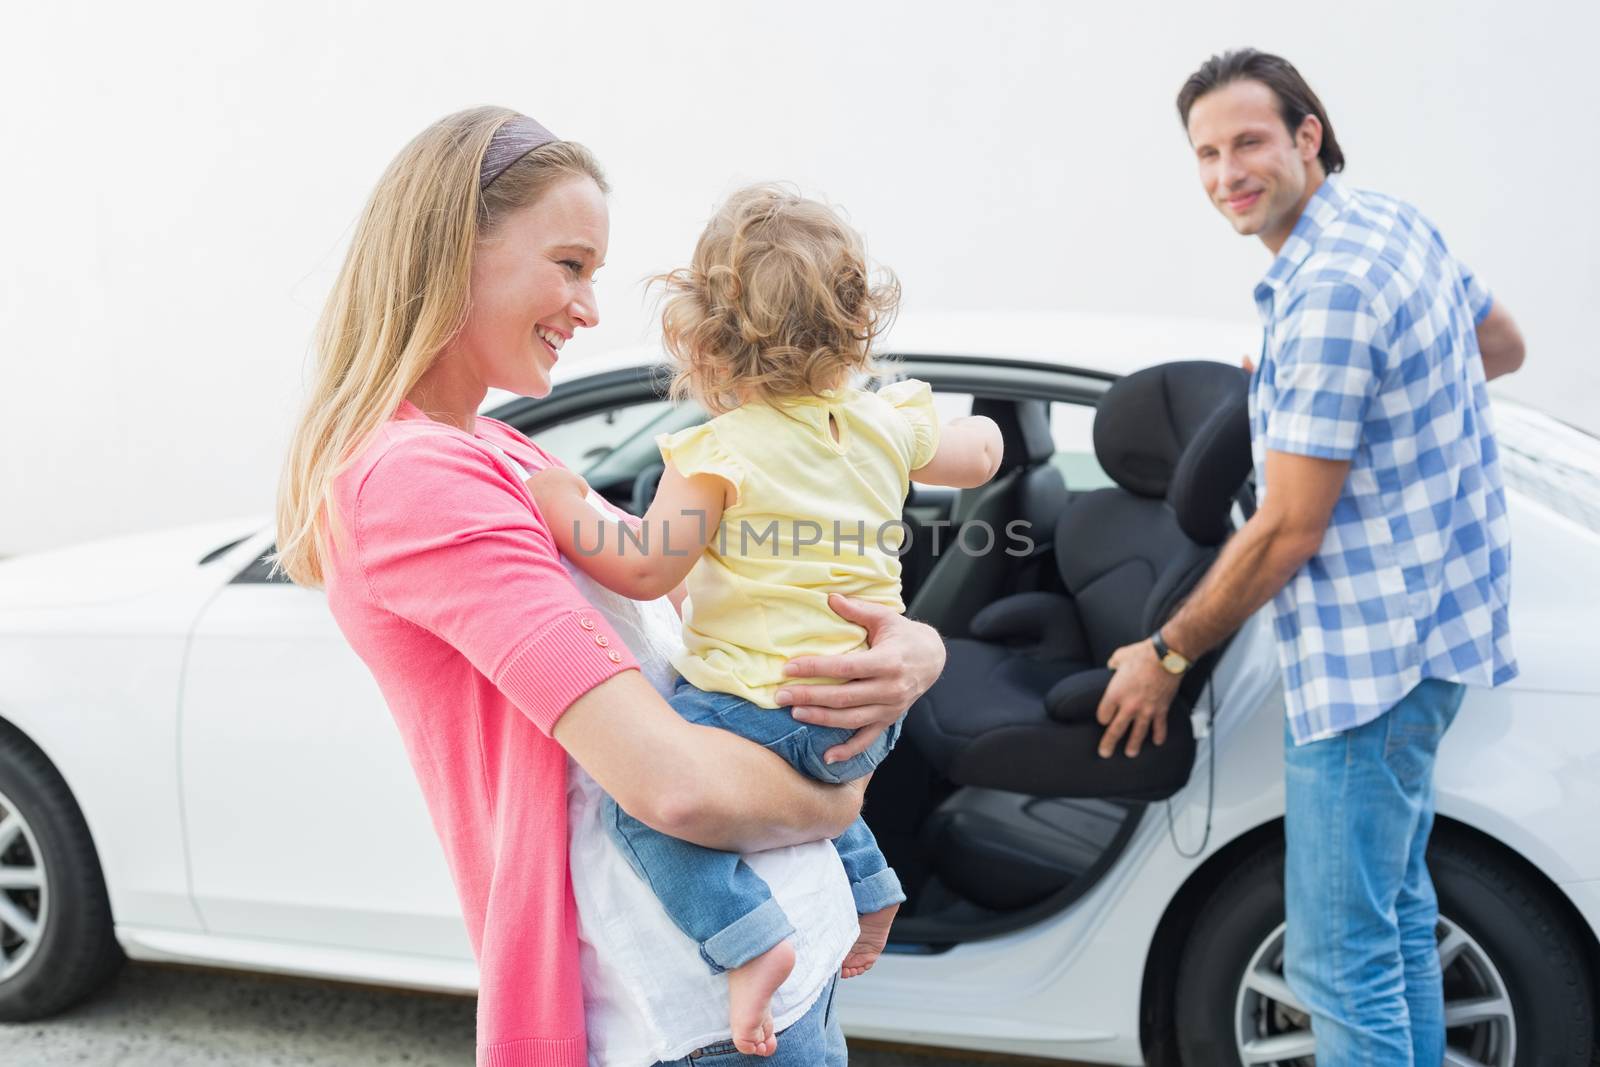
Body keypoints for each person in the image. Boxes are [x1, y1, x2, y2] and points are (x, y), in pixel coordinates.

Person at [270, 107, 948, 1067]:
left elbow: (684, 611)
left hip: (756, 972)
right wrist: (840, 796)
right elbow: (674, 789)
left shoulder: (496, 451)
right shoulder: (415, 480)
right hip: (684, 1005)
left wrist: (914, 651)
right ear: (453, 248)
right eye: (571, 264)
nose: (590, 308)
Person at [1093, 50, 1524, 1063]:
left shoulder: (1326, 294)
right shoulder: (1390, 223)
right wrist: (1335, 405)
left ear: (1306, 136)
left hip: (1365, 663)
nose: (1223, 173)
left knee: (1338, 959)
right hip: (1433, 631)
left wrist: (1163, 653)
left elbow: (1287, 529)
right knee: (1390, 925)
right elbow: (1497, 344)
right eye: (1203, 153)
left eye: (1246, 142)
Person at [527, 185, 1003, 1056]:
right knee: (804, 772)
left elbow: (645, 563)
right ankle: (869, 877)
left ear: (704, 338)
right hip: (864, 719)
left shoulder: (718, 451)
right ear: (856, 324)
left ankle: (748, 944)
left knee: (642, 811)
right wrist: (984, 442)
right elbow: (975, 455)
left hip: (762, 707)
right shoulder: (884, 422)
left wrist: (562, 500)